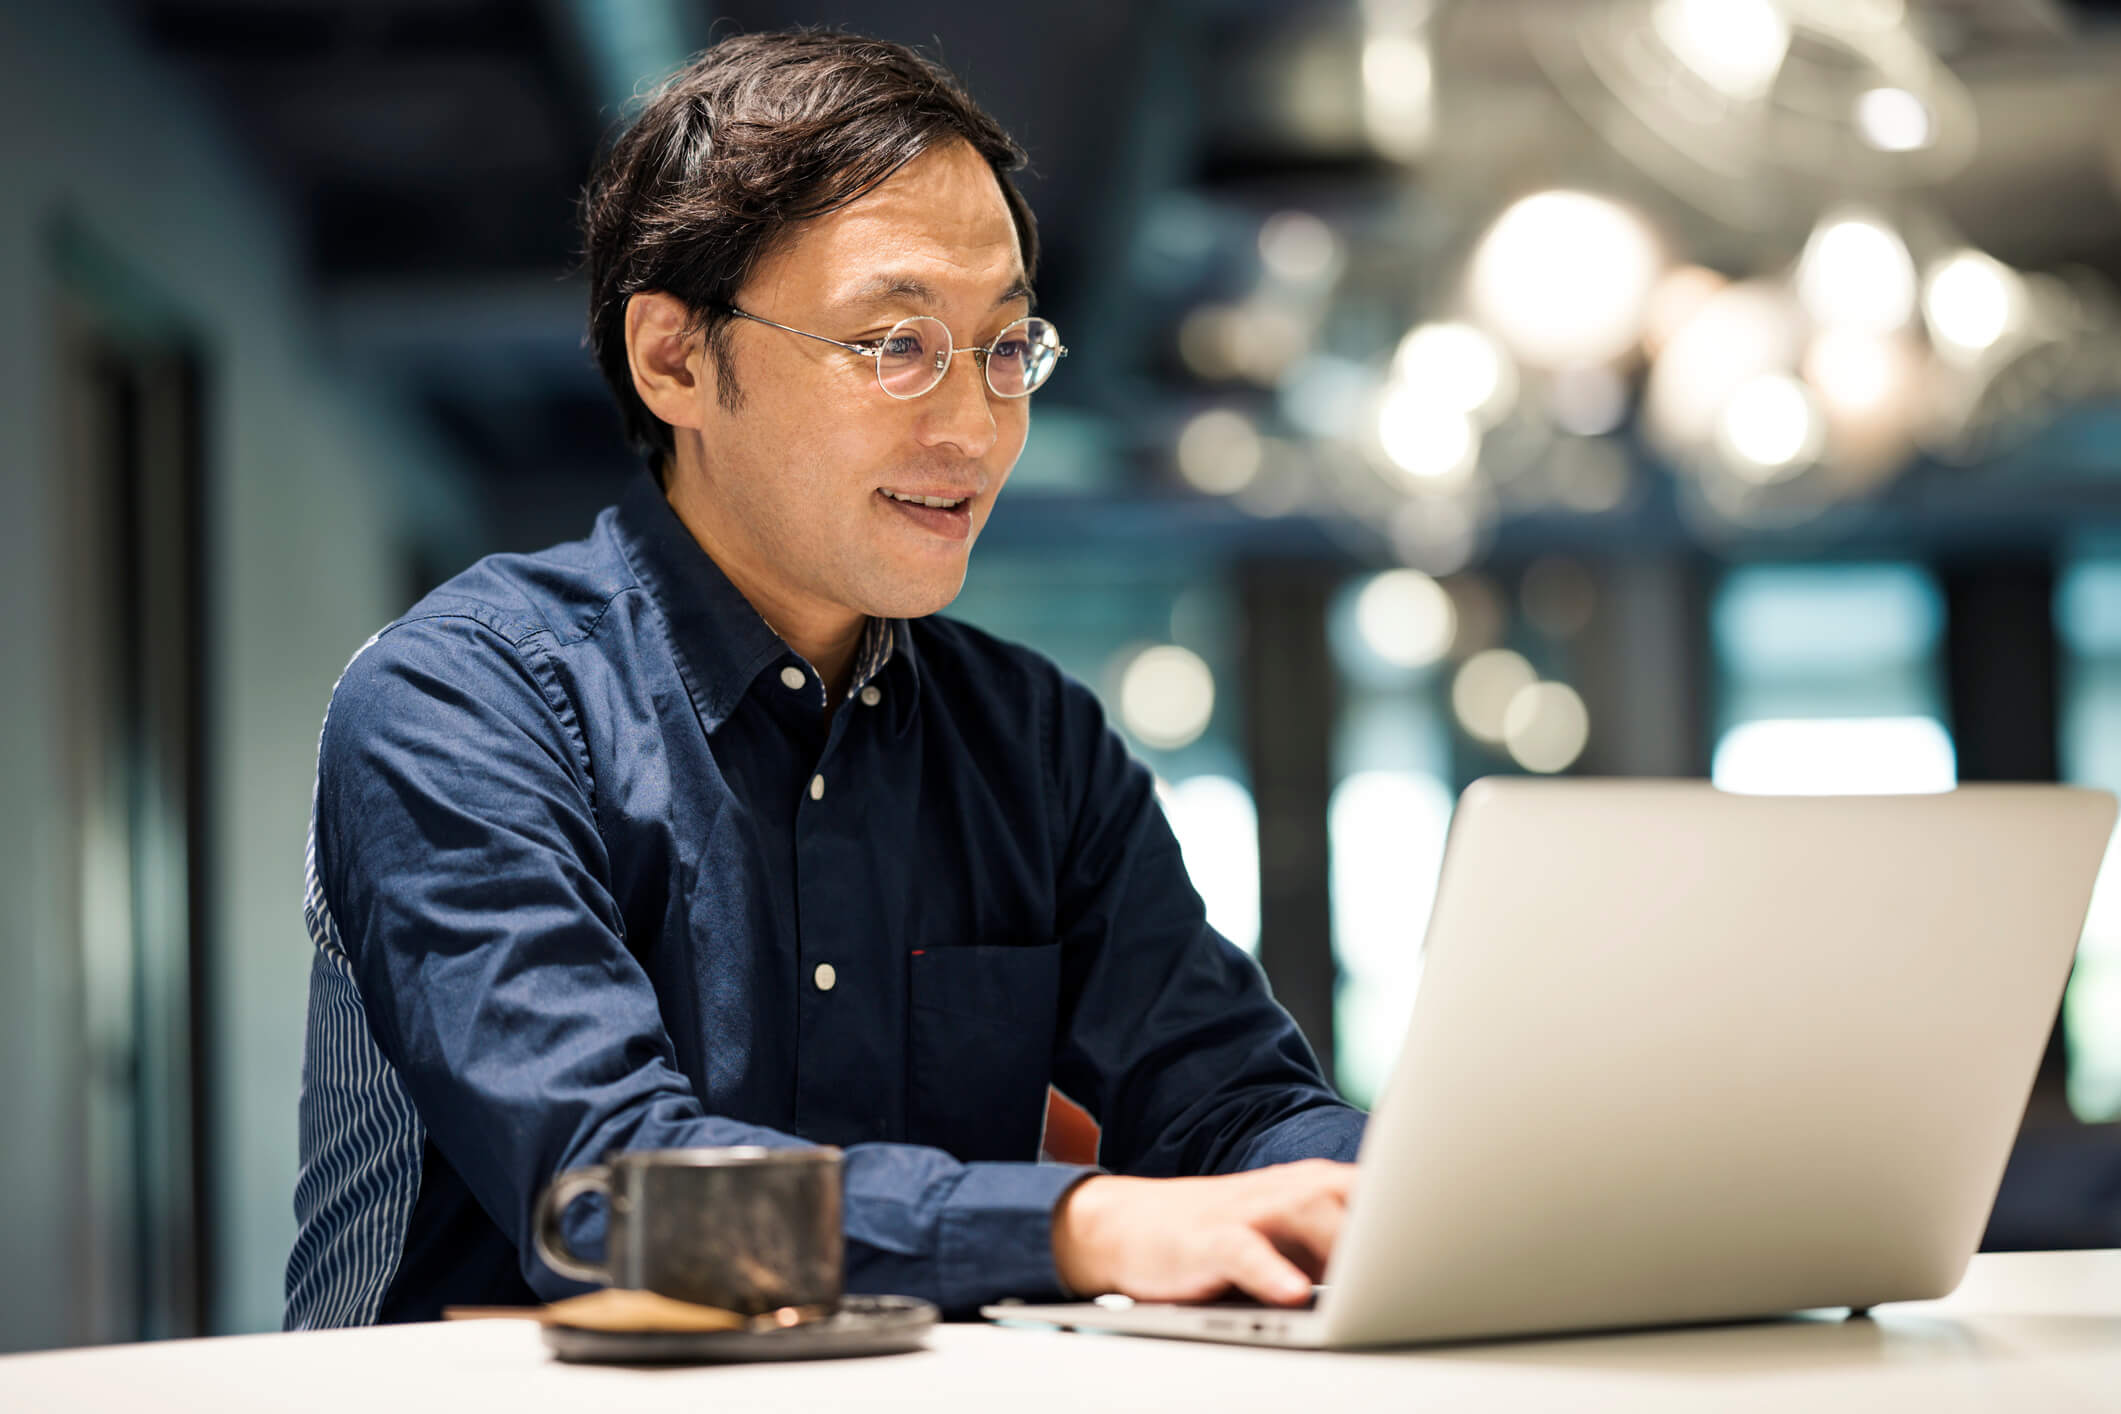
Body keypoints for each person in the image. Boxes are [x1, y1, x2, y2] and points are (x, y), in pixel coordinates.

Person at [284, 28, 1365, 1330]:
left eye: (1006, 347)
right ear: (673, 358)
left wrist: (1388, 1195)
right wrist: (1081, 1219)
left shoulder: (1029, 742)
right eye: (895, 343)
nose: (971, 427)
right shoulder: (463, 699)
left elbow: (1232, 1101)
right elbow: (616, 1199)